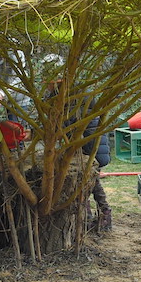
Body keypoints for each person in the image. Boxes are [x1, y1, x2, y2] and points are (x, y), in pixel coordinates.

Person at [43, 56, 112, 231]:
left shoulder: (73, 96)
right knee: (91, 181)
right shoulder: (62, 95)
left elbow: (70, 124)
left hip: (87, 147)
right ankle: (100, 217)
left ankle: (90, 220)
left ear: (58, 79)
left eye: (48, 79)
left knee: (85, 183)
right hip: (84, 145)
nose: (45, 83)